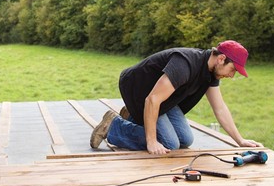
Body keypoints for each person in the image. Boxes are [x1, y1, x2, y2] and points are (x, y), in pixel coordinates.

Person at [90, 40, 262, 155]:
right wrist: (151, 141)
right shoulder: (185, 64)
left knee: (186, 139)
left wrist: (240, 140)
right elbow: (152, 100)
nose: (232, 76)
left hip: (164, 98)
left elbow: (220, 108)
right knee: (169, 143)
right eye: (233, 70)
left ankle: (135, 117)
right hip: (139, 89)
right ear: (221, 59)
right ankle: (114, 126)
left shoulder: (211, 74)